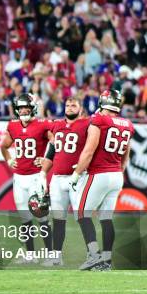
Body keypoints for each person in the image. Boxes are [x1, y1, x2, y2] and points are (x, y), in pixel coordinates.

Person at [70, 89, 134, 271]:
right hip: (116, 175)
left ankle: (93, 256)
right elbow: (126, 156)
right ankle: (106, 261)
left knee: (82, 212)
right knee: (106, 218)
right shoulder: (127, 124)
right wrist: (118, 173)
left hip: (99, 174)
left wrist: (76, 175)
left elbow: (89, 151)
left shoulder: (99, 120)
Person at [0, 93, 53, 263]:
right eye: (21, 108)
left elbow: (55, 142)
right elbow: (4, 145)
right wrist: (9, 159)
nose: (23, 111)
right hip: (19, 177)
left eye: (27, 108)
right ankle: (30, 254)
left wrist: (46, 159)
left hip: (36, 177)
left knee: (41, 216)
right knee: (25, 217)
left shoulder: (42, 124)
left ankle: (51, 254)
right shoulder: (13, 126)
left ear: (33, 109)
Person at [39, 97, 89, 266]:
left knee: (83, 217)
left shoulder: (87, 124)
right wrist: (43, 173)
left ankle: (92, 254)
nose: (69, 107)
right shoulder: (57, 125)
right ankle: (56, 256)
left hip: (78, 178)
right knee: (58, 218)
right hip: (58, 178)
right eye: (67, 105)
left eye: (73, 105)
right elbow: (51, 150)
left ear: (80, 108)